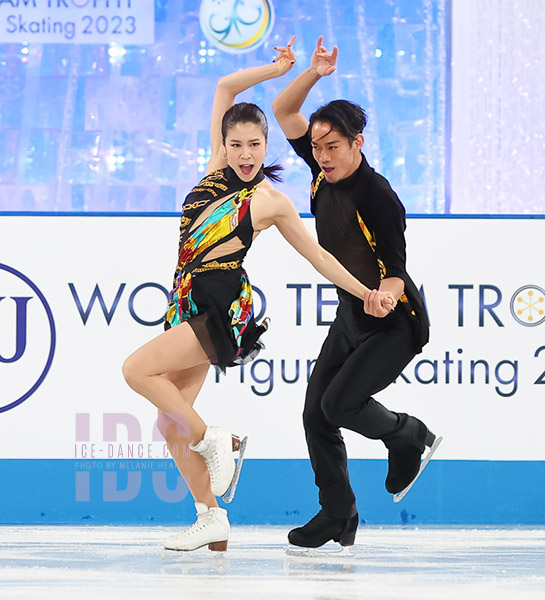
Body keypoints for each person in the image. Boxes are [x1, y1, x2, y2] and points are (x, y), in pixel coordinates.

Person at [122, 38, 394, 554]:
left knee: (136, 372)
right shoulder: (211, 172)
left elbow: (318, 257)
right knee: (169, 416)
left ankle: (216, 441)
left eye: (255, 145)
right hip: (186, 302)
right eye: (237, 145)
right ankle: (211, 516)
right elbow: (226, 86)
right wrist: (279, 67)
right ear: (224, 144)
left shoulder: (270, 200)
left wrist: (366, 293)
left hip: (222, 306)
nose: (246, 155)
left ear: (266, 147)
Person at [272, 36, 440, 550]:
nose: (321, 156)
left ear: (358, 142)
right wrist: (315, 74)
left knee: (340, 404)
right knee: (313, 413)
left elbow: (395, 270)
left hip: (394, 321)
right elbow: (284, 109)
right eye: (317, 148)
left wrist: (383, 295)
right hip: (352, 315)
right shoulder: (323, 171)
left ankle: (408, 433)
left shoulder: (377, 195)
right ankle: (338, 513)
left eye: (333, 147)